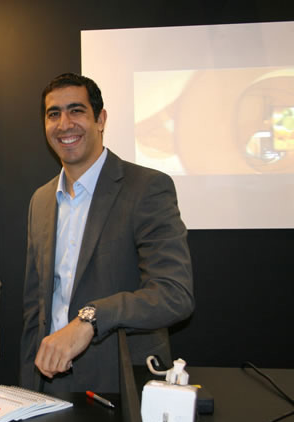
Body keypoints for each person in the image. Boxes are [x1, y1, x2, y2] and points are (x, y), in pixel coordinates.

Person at [20, 73, 195, 393]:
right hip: (50, 383)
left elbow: (174, 295)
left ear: (100, 120)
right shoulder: (41, 200)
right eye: (53, 114)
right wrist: (29, 388)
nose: (64, 124)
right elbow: (35, 308)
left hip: (119, 383)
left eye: (76, 111)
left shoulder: (146, 188)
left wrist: (90, 319)